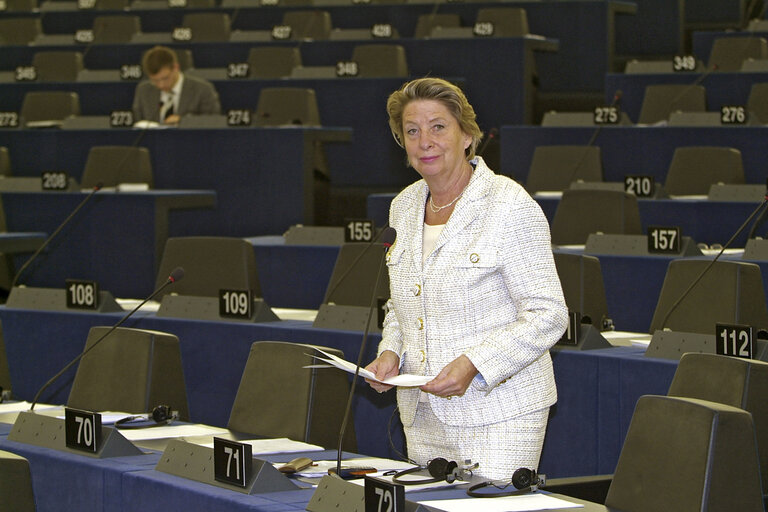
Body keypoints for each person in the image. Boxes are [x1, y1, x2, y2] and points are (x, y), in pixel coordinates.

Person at [364, 78, 568, 482]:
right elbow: (403, 301)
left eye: (438, 127)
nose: (425, 141)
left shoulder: (509, 205)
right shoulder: (403, 206)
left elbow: (548, 315)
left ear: (468, 136)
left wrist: (475, 364)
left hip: (500, 410)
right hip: (422, 409)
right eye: (412, 130)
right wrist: (391, 353)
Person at [132, 46, 221, 125]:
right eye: (154, 80)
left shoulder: (202, 89)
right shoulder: (143, 90)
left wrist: (182, 121)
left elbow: (213, 121)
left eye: (165, 78)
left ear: (176, 68)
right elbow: (138, 122)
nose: (161, 85)